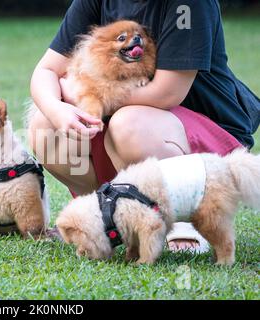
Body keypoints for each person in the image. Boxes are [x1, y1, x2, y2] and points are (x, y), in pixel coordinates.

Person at [28, 0, 259, 252]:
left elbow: (166, 93)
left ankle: (185, 218)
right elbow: (47, 70)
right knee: (45, 126)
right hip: (128, 139)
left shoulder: (190, 4)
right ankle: (107, 210)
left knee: (128, 123)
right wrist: (56, 108)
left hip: (204, 141)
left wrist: (85, 92)